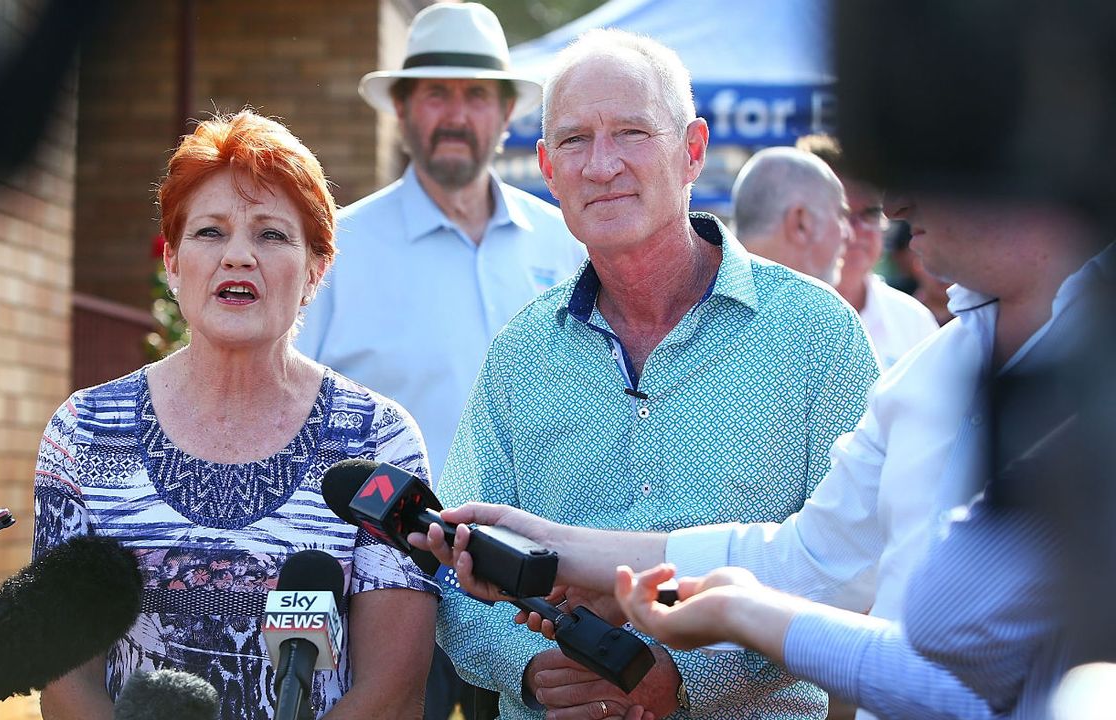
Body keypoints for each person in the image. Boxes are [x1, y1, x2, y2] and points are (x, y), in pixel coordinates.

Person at [427, 193, 1108, 719]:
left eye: (934, 161)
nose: (893, 206)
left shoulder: (826, 333)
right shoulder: (932, 368)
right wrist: (560, 548)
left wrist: (730, 625)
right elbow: (805, 560)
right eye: (576, 139)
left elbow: (946, 650)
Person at [431, 29, 878, 720]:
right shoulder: (520, 355)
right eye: (575, 140)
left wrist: (681, 673)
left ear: (693, 150)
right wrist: (536, 669)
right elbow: (456, 569)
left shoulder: (815, 334)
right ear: (548, 170)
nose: (602, 165)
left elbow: (853, 569)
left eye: (632, 132)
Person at [33, 110, 438, 720]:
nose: (238, 257)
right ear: (171, 263)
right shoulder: (84, 430)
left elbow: (395, 689)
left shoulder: (379, 439)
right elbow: (64, 681)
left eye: (272, 235)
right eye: (210, 232)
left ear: (315, 271)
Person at [293, 6, 583, 717]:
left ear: (509, 111)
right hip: (383, 585)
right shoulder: (337, 250)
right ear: (401, 107)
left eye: (477, 94)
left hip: (528, 593)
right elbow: (290, 411)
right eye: (436, 93)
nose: (457, 114)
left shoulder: (567, 245)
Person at [796, 135, 938, 368]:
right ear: (800, 219)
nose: (854, 230)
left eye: (870, 213)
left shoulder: (914, 323)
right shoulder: (770, 317)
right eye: (841, 213)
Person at [730, 146, 851, 286]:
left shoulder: (705, 291)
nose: (849, 235)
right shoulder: (821, 305)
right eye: (840, 216)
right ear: (801, 223)